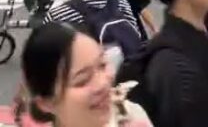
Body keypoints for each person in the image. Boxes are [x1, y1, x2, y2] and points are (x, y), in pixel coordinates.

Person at [20, 23, 151, 127]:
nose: (103, 83)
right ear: (47, 103)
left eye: (102, 65)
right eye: (83, 81)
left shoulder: (132, 114)